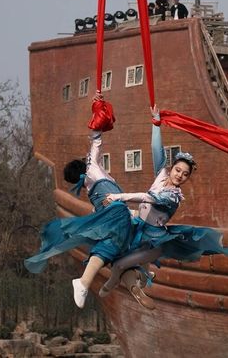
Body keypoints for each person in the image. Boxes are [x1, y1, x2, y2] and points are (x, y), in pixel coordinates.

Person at [24, 94, 154, 310]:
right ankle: (91, 281)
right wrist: (97, 109)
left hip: (118, 220)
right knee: (122, 243)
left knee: (122, 252)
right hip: (119, 216)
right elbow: (95, 143)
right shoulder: (92, 170)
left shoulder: (91, 190)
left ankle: (129, 281)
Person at [97, 106, 228, 297]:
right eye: (178, 170)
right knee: (112, 246)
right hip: (137, 227)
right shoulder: (161, 174)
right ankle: (144, 274)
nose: (180, 175)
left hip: (154, 241)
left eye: (185, 174)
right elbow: (156, 150)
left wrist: (118, 197)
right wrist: (156, 123)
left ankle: (111, 284)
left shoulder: (173, 197)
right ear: (172, 168)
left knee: (121, 264)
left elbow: (147, 197)